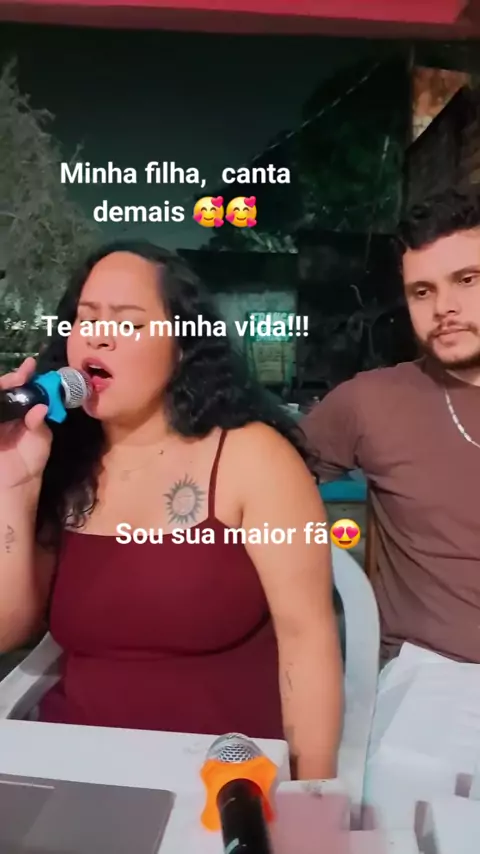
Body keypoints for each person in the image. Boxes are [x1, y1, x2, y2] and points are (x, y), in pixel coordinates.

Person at [0, 240, 343, 780]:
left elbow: (309, 639)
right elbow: (8, 629)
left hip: (220, 783)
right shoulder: (60, 461)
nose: (99, 335)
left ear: (182, 347)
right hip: (76, 769)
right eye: (85, 319)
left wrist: (313, 799)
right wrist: (14, 482)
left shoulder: (254, 457)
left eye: (129, 322)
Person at [301, 188, 480, 667]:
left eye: (467, 279)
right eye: (422, 291)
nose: (443, 307)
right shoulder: (370, 402)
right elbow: (253, 484)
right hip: (431, 678)